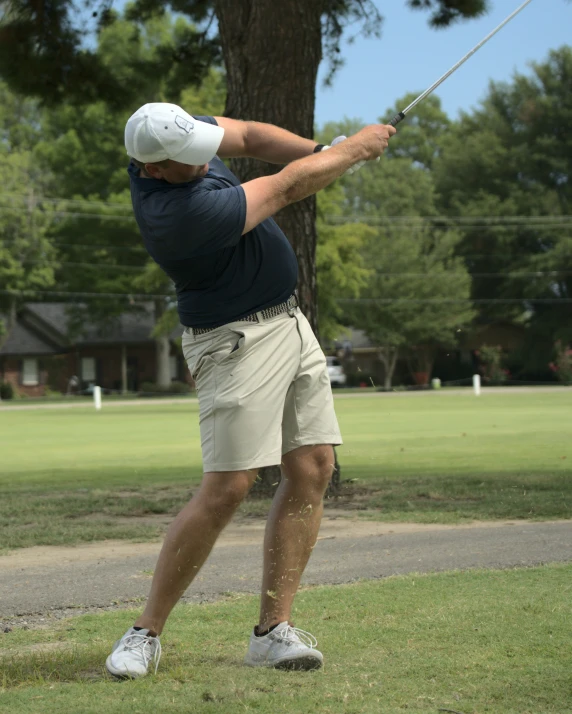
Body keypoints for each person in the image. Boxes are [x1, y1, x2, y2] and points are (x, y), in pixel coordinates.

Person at [105, 103, 396, 678]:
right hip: (233, 342)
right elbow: (286, 189)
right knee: (230, 486)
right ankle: (144, 633)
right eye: (190, 160)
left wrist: (321, 150)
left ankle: (272, 632)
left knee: (313, 465)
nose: (205, 159)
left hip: (288, 323)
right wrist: (353, 150)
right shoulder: (179, 213)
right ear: (154, 169)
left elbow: (249, 135)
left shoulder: (176, 144)